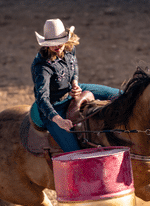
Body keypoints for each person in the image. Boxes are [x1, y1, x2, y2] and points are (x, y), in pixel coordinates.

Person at [31, 18, 120, 152]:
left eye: (60, 41)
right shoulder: (42, 67)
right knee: (75, 152)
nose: (58, 46)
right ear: (46, 44)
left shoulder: (69, 49)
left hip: (72, 91)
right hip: (55, 105)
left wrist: (75, 83)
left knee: (120, 95)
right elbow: (42, 98)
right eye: (52, 43)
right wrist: (59, 121)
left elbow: (74, 66)